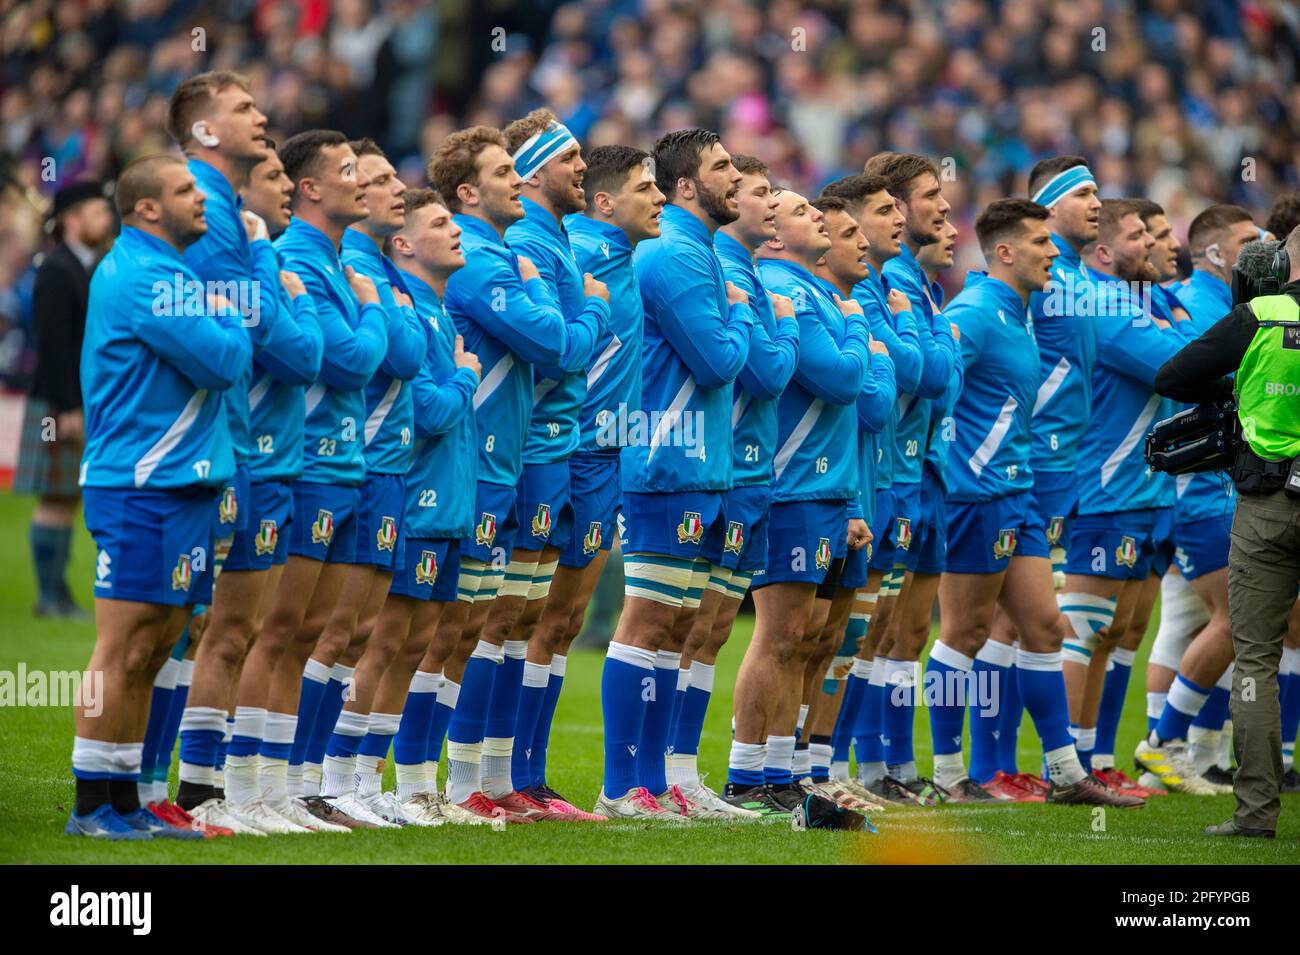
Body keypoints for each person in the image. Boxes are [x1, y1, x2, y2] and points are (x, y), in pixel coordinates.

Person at [934, 198, 1141, 807]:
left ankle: (1067, 774)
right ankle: (949, 777)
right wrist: (957, 466)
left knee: (1047, 628)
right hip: (978, 495)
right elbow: (931, 388)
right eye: (1040, 242)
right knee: (965, 632)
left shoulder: (1019, 312)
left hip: (1017, 495)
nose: (1054, 251)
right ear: (1004, 251)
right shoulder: (973, 312)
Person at [68, 154, 252, 839]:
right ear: (148, 207)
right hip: (140, 483)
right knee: (122, 646)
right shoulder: (149, 275)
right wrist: (228, 315)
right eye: (185, 192)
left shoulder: (171, 271)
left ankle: (125, 798)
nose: (202, 203)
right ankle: (91, 804)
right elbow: (229, 359)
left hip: (176, 483)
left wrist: (218, 312)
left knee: (153, 644)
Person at [427, 124, 602, 822]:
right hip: (491, 460)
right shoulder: (490, 255)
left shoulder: (521, 246)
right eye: (509, 171)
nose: (518, 184)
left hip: (522, 454)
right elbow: (558, 346)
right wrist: (589, 304)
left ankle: (495, 780)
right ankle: (444, 778)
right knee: (465, 626)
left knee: (508, 619)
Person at [237, 130, 391, 831]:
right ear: (310, 188)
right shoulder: (299, 255)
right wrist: (370, 307)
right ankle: (245, 791)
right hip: (305, 468)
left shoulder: (325, 259)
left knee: (304, 637)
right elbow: (350, 360)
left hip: (339, 467)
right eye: (350, 170)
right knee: (275, 634)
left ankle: (291, 790)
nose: (363, 181)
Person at [596, 128, 751, 821]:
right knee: (648, 621)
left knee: (676, 625)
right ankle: (620, 783)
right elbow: (720, 362)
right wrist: (748, 317)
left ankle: (656, 782)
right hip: (665, 460)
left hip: (697, 465)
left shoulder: (699, 251)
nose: (738, 179)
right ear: (688, 183)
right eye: (723, 167)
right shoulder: (674, 257)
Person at [724, 189, 871, 814]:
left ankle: (782, 773)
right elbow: (842, 379)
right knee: (780, 635)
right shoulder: (791, 291)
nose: (822, 218)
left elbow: (857, 405)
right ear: (777, 237)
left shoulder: (812, 292)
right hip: (790, 485)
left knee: (804, 639)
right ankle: (746, 774)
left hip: (826, 488)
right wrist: (863, 324)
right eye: (804, 212)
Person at [526, 144, 663, 807]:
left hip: (607, 460)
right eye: (646, 188)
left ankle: (529, 779)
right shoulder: (573, 250)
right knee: (528, 619)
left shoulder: (628, 258)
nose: (659, 198)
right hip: (567, 452)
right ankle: (500, 777)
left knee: (565, 622)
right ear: (605, 203)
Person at [1154, 224, 1300, 839]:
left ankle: (1255, 814)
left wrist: (1235, 391)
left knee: (1254, 662)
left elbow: (1174, 376)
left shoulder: (1262, 314)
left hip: (1269, 503)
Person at [700, 154, 800, 819]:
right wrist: (786, 324)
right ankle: (676, 778)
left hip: (752, 472)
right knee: (691, 627)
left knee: (706, 630)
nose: (760, 201)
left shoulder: (747, 273)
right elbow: (766, 371)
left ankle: (690, 778)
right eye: (754, 191)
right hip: (724, 469)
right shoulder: (730, 268)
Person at [865, 153, 959, 803]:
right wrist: (933, 353)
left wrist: (935, 353)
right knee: (881, 627)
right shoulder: (891, 277)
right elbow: (926, 375)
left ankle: (898, 764)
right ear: (898, 209)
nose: (946, 209)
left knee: (911, 631)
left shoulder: (927, 287)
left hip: (929, 470)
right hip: (894, 473)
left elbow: (945, 383)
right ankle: (869, 765)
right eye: (931, 197)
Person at [16, 180, 115, 619]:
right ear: (71, 220)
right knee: (56, 497)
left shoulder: (89, 265)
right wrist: (70, 409)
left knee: (69, 496)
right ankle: (49, 597)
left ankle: (57, 595)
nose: (106, 220)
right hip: (58, 403)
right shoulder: (57, 268)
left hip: (75, 399)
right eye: (96, 212)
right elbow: (54, 346)